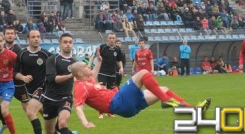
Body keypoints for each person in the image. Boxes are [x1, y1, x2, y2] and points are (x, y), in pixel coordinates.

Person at [71, 53, 211, 129]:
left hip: (128, 108)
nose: (89, 67)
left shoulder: (87, 80)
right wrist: (85, 122)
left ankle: (195, 110)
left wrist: (98, 61)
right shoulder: (80, 87)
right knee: (143, 73)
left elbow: (93, 74)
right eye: (85, 66)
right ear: (80, 74)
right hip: (118, 102)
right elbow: (78, 107)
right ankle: (166, 101)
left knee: (163, 89)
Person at [13, 30, 53, 134]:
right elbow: (15, 72)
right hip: (29, 90)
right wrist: (23, 77)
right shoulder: (22, 54)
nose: (36, 39)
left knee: (31, 112)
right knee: (48, 118)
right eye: (33, 37)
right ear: (28, 39)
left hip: (44, 90)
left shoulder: (46, 55)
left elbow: (53, 71)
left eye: (38, 37)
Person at [42, 33, 81, 134]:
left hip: (66, 98)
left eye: (70, 42)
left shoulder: (75, 62)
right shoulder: (52, 59)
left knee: (63, 123)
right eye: (65, 42)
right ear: (60, 44)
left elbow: (82, 77)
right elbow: (52, 79)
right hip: (50, 99)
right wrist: (70, 75)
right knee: (50, 132)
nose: (68, 44)